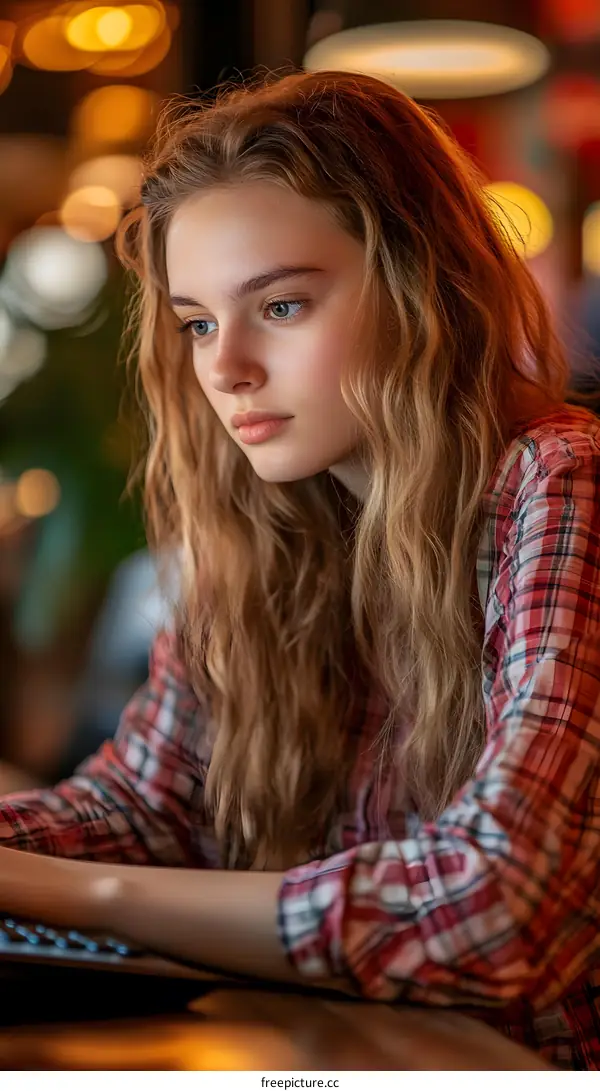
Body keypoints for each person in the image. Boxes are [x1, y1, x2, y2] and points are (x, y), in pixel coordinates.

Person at [0, 70, 598, 1070]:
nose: (224, 365)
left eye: (279, 305)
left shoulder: (560, 484)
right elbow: (141, 809)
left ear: (423, 286)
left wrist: (70, 890)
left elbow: (495, 907)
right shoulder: (273, 520)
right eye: (196, 321)